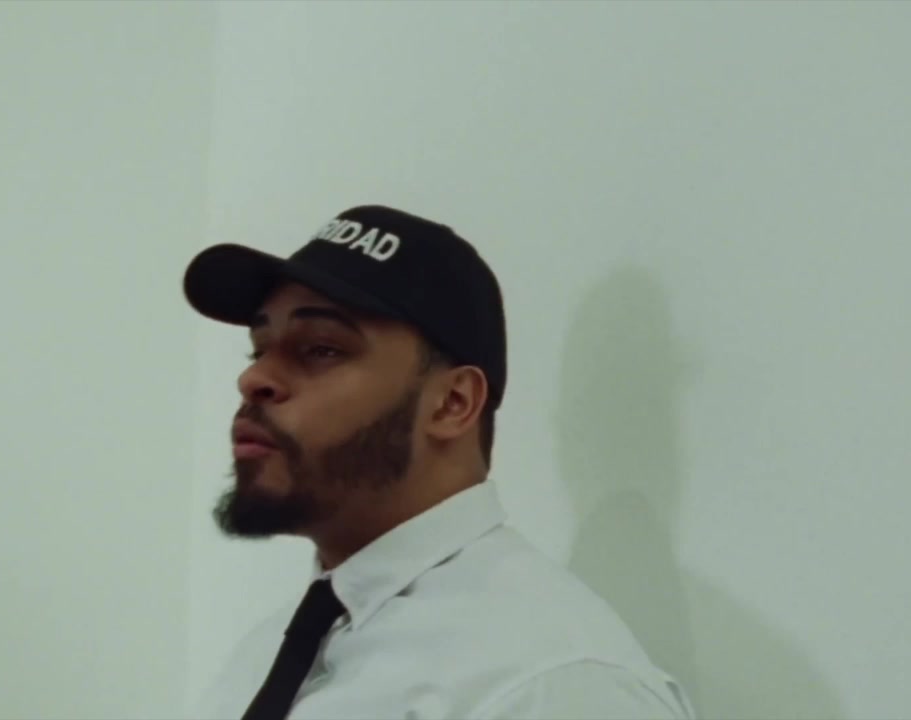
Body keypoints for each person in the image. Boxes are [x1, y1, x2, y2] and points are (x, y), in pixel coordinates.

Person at [183, 205, 695, 720]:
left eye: (320, 349)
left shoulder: (555, 683)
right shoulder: (268, 651)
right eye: (258, 352)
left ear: (452, 403)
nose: (253, 379)